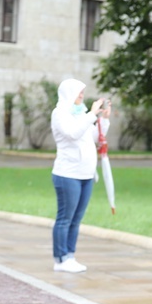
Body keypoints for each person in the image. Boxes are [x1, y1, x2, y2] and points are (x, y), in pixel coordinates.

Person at [50, 78, 110, 273]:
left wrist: (103, 119)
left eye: (83, 92)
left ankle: (70, 256)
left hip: (86, 174)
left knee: (76, 219)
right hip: (68, 174)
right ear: (69, 93)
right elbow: (73, 133)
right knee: (65, 218)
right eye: (79, 92)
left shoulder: (81, 113)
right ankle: (60, 259)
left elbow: (94, 136)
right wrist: (92, 114)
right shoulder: (60, 114)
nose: (82, 95)